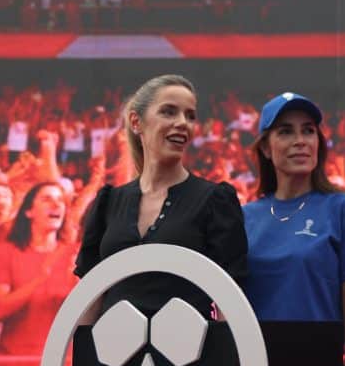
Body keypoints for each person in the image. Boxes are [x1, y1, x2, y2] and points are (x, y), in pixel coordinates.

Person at [243, 92, 345, 366]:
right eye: (286, 131)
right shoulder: (243, 217)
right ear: (264, 147)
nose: (300, 141)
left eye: (308, 131)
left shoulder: (344, 210)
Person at [75, 74, 247, 319]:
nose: (182, 123)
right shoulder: (108, 202)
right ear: (136, 122)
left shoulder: (215, 201)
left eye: (190, 116)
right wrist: (83, 356)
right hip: (112, 354)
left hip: (191, 354)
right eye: (169, 112)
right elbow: (89, 299)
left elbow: (229, 302)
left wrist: (225, 356)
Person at [0, 182, 76, 366]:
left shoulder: (76, 255)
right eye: (47, 199)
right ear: (29, 211)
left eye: (60, 200)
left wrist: (80, 285)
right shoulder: (6, 252)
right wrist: (39, 280)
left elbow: (93, 316)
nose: (56, 205)